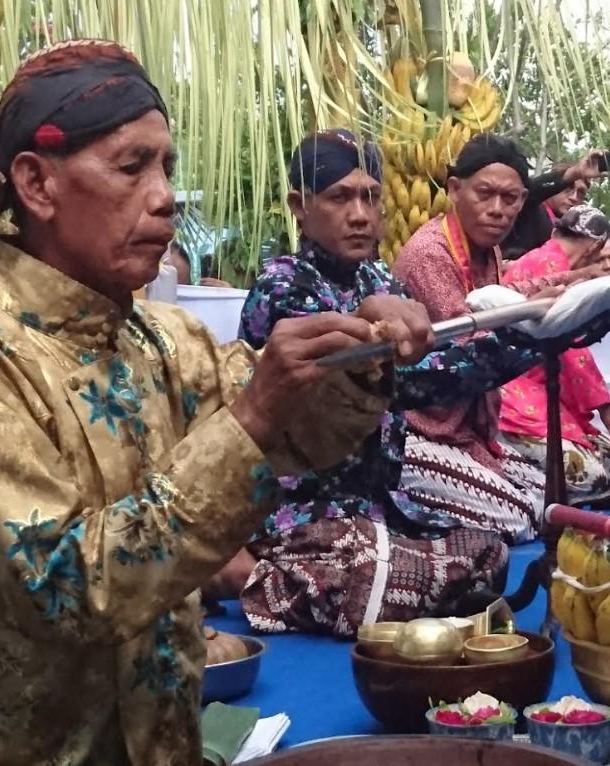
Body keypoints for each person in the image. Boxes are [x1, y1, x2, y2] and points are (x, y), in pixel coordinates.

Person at [0, 41, 433, 766]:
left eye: (166, 166)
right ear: (37, 185)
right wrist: (254, 418)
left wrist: (361, 351)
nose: (166, 194)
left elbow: (300, 442)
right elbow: (68, 587)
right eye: (131, 165)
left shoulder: (169, 338)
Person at [228, 129, 550, 635]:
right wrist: (532, 341)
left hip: (377, 507)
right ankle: (254, 576)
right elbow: (406, 384)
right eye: (340, 197)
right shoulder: (285, 288)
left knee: (486, 549)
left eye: (370, 196)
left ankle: (387, 581)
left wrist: (543, 325)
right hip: (302, 517)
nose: (360, 213)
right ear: (300, 205)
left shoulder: (378, 281)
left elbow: (435, 360)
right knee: (373, 574)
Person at [393, 134, 579, 543]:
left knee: (560, 496)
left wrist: (573, 281)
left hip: (470, 433)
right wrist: (537, 325)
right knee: (526, 517)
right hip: (420, 435)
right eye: (485, 194)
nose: (498, 210)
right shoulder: (430, 254)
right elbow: (471, 345)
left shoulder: (487, 249)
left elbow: (499, 304)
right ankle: (410, 518)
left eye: (510, 199)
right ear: (454, 189)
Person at [498, 207, 610, 499]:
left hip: (535, 390)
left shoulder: (543, 259)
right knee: (593, 480)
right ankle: (509, 475)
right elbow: (570, 350)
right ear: (596, 246)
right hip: (513, 394)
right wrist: (606, 409)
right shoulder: (555, 268)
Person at [503, 150, 605, 260]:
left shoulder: (576, 230)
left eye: (580, 193)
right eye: (567, 189)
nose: (574, 197)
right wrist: (573, 173)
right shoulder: (530, 208)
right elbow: (530, 190)